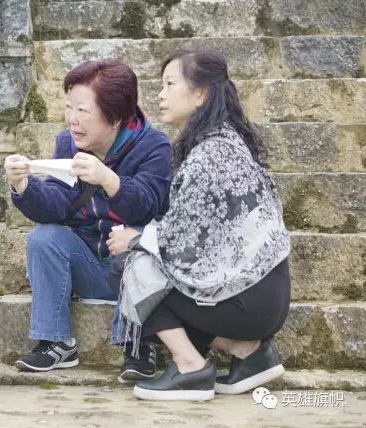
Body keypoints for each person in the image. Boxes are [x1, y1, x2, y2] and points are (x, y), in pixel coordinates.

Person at [112, 49, 291, 401]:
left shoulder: (208, 155)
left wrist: (135, 239)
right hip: (266, 296)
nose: (160, 95)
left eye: (169, 84)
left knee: (129, 265)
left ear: (200, 94)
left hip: (246, 302)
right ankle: (249, 352)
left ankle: (190, 368)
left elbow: (181, 248)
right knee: (148, 259)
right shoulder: (228, 143)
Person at [4, 59, 172, 381]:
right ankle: (56, 342)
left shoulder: (153, 146)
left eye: (83, 110)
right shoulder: (67, 142)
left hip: (136, 271)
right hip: (90, 266)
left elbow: (148, 204)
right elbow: (56, 204)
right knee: (44, 236)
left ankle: (138, 343)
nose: (72, 119)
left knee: (137, 241)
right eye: (69, 108)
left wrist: (109, 179)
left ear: (115, 116)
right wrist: (23, 186)